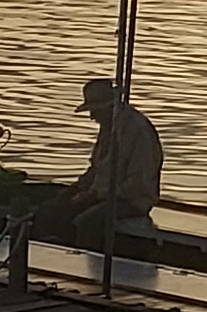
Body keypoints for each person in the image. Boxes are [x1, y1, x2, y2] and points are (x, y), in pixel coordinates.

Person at [30, 76, 163, 252]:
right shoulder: (109, 127)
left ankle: (88, 263)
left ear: (108, 108)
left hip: (131, 201)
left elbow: (137, 185)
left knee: (88, 221)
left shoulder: (138, 132)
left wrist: (95, 195)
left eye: (95, 111)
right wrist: (77, 188)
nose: (92, 116)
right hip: (101, 194)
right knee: (53, 207)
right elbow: (96, 169)